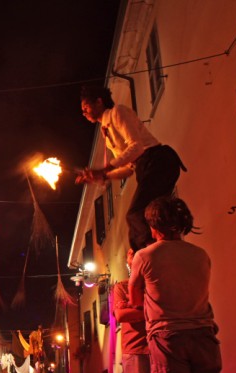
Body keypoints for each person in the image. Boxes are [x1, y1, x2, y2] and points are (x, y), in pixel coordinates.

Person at [129, 196, 225, 373]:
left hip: (167, 338)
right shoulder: (201, 254)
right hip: (204, 335)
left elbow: (135, 299)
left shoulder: (144, 256)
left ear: (153, 227)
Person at [77, 85, 186, 251]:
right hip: (146, 167)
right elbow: (128, 168)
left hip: (158, 161)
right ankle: (146, 253)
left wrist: (105, 169)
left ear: (99, 102)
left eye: (86, 107)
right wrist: (104, 176)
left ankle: (154, 252)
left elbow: (137, 147)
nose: (84, 113)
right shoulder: (106, 133)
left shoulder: (117, 113)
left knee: (136, 214)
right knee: (146, 217)